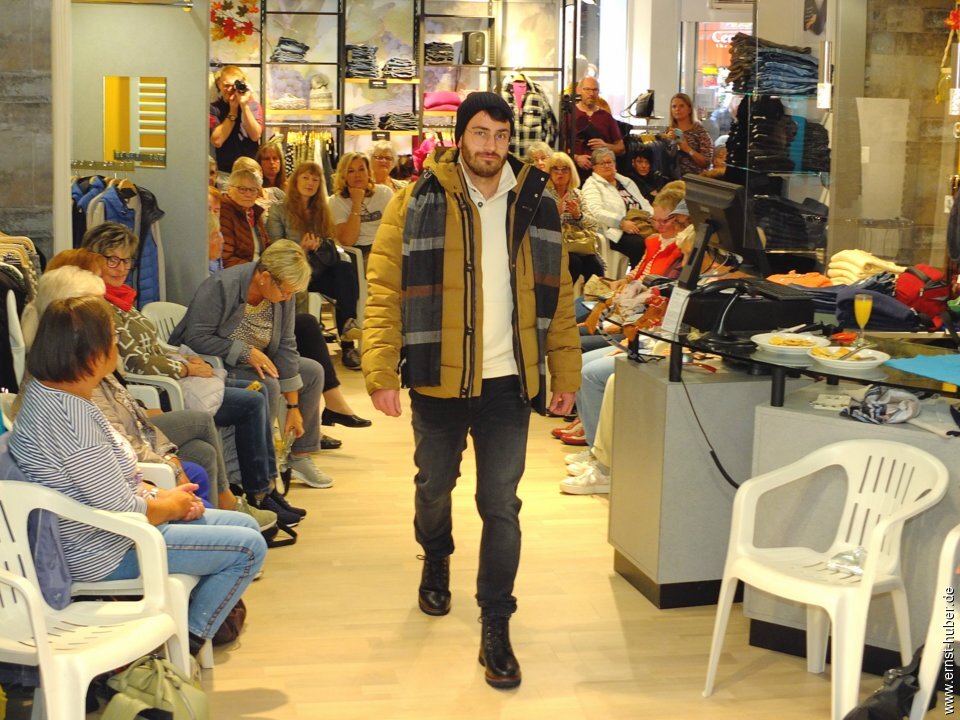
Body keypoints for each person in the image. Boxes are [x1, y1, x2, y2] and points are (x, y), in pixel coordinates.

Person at [362, 91, 581, 690]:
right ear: (460, 136)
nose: (491, 146)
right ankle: (436, 554)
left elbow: (558, 294)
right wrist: (380, 370)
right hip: (439, 375)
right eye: (481, 133)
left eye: (501, 136)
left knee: (501, 504)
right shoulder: (416, 200)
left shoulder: (536, 200)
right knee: (434, 486)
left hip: (509, 382)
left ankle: (496, 622)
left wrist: (565, 373)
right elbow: (383, 290)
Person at [9, 295, 267, 645]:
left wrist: (163, 495)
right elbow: (122, 510)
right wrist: (171, 505)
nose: (117, 345)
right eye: (113, 337)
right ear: (91, 351)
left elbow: (110, 487)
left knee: (245, 525)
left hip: (110, 530)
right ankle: (185, 642)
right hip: (104, 550)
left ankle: (181, 625)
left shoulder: (59, 395)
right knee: (250, 548)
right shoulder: (71, 420)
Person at [80, 224, 306, 521]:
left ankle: (250, 494)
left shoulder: (123, 300)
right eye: (113, 260)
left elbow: (153, 349)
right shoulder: (98, 309)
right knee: (252, 400)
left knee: (209, 444)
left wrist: (184, 361)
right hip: (163, 388)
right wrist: (186, 366)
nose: (121, 268)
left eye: (126, 260)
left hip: (180, 377)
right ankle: (254, 494)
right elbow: (137, 362)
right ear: (93, 259)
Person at [170, 240, 334, 491]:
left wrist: (293, 407)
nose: (288, 298)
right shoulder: (221, 286)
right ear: (265, 277)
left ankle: (299, 455)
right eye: (286, 292)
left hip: (259, 360)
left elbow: (286, 344)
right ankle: (258, 471)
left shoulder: (282, 292)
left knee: (312, 371)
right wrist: (244, 352)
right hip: (216, 363)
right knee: (268, 384)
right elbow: (196, 337)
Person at [266, 161, 364, 370]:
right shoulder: (279, 210)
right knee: (312, 284)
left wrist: (320, 244)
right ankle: (302, 346)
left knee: (345, 270)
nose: (310, 183)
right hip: (291, 270)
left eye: (315, 179)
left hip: (317, 268)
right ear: (296, 181)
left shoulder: (321, 210)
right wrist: (301, 249)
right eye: (305, 178)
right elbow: (276, 250)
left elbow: (330, 242)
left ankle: (348, 333)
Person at [580, 147, 653, 269]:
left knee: (658, 241)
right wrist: (621, 222)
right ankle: (636, 277)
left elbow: (643, 203)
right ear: (594, 167)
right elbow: (595, 211)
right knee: (639, 245)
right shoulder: (591, 185)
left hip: (641, 224)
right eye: (602, 163)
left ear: (615, 164)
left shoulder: (626, 181)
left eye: (609, 162)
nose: (607, 166)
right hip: (613, 231)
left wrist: (653, 218)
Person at [546, 151, 604, 286]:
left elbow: (594, 225)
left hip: (578, 243)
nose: (560, 173)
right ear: (549, 172)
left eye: (564, 169)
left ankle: (591, 298)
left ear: (571, 172)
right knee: (574, 263)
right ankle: (563, 297)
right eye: (555, 169)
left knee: (596, 267)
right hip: (555, 244)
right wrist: (557, 214)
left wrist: (579, 216)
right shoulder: (545, 194)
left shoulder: (577, 194)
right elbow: (540, 225)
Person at [328, 151, 394, 266]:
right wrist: (356, 203)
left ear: (368, 172)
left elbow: (395, 227)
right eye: (351, 171)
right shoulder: (336, 201)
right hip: (358, 252)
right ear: (344, 176)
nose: (357, 175)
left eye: (361, 169)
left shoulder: (384, 193)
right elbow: (348, 240)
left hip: (384, 247)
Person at [565, 76, 624, 182]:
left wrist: (606, 146)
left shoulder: (606, 116)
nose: (591, 93)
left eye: (595, 90)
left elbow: (621, 148)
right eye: (587, 89)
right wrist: (577, 158)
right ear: (579, 90)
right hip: (574, 174)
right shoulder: (569, 115)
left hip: (602, 175)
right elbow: (560, 147)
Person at [209, 65, 263, 175]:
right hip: (225, 172)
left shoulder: (253, 106)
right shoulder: (213, 109)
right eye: (226, 86)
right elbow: (217, 141)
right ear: (219, 84)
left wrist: (244, 105)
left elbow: (255, 135)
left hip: (251, 171)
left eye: (233, 86)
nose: (230, 90)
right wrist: (233, 111)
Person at [220, 168, 270, 267]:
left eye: (253, 190)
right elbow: (226, 258)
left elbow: (267, 245)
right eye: (242, 189)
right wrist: (256, 270)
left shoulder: (254, 211)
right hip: (240, 271)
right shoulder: (224, 212)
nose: (248, 194)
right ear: (229, 189)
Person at [668, 92, 714, 177]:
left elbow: (706, 162)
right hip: (672, 178)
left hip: (693, 179)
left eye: (681, 106)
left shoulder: (699, 131)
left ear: (689, 109)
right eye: (674, 106)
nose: (677, 109)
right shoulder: (668, 131)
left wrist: (687, 149)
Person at [208, 186, 224, 274]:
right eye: (208, 209)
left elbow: (220, 270)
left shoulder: (218, 236)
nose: (212, 214)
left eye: (216, 211)